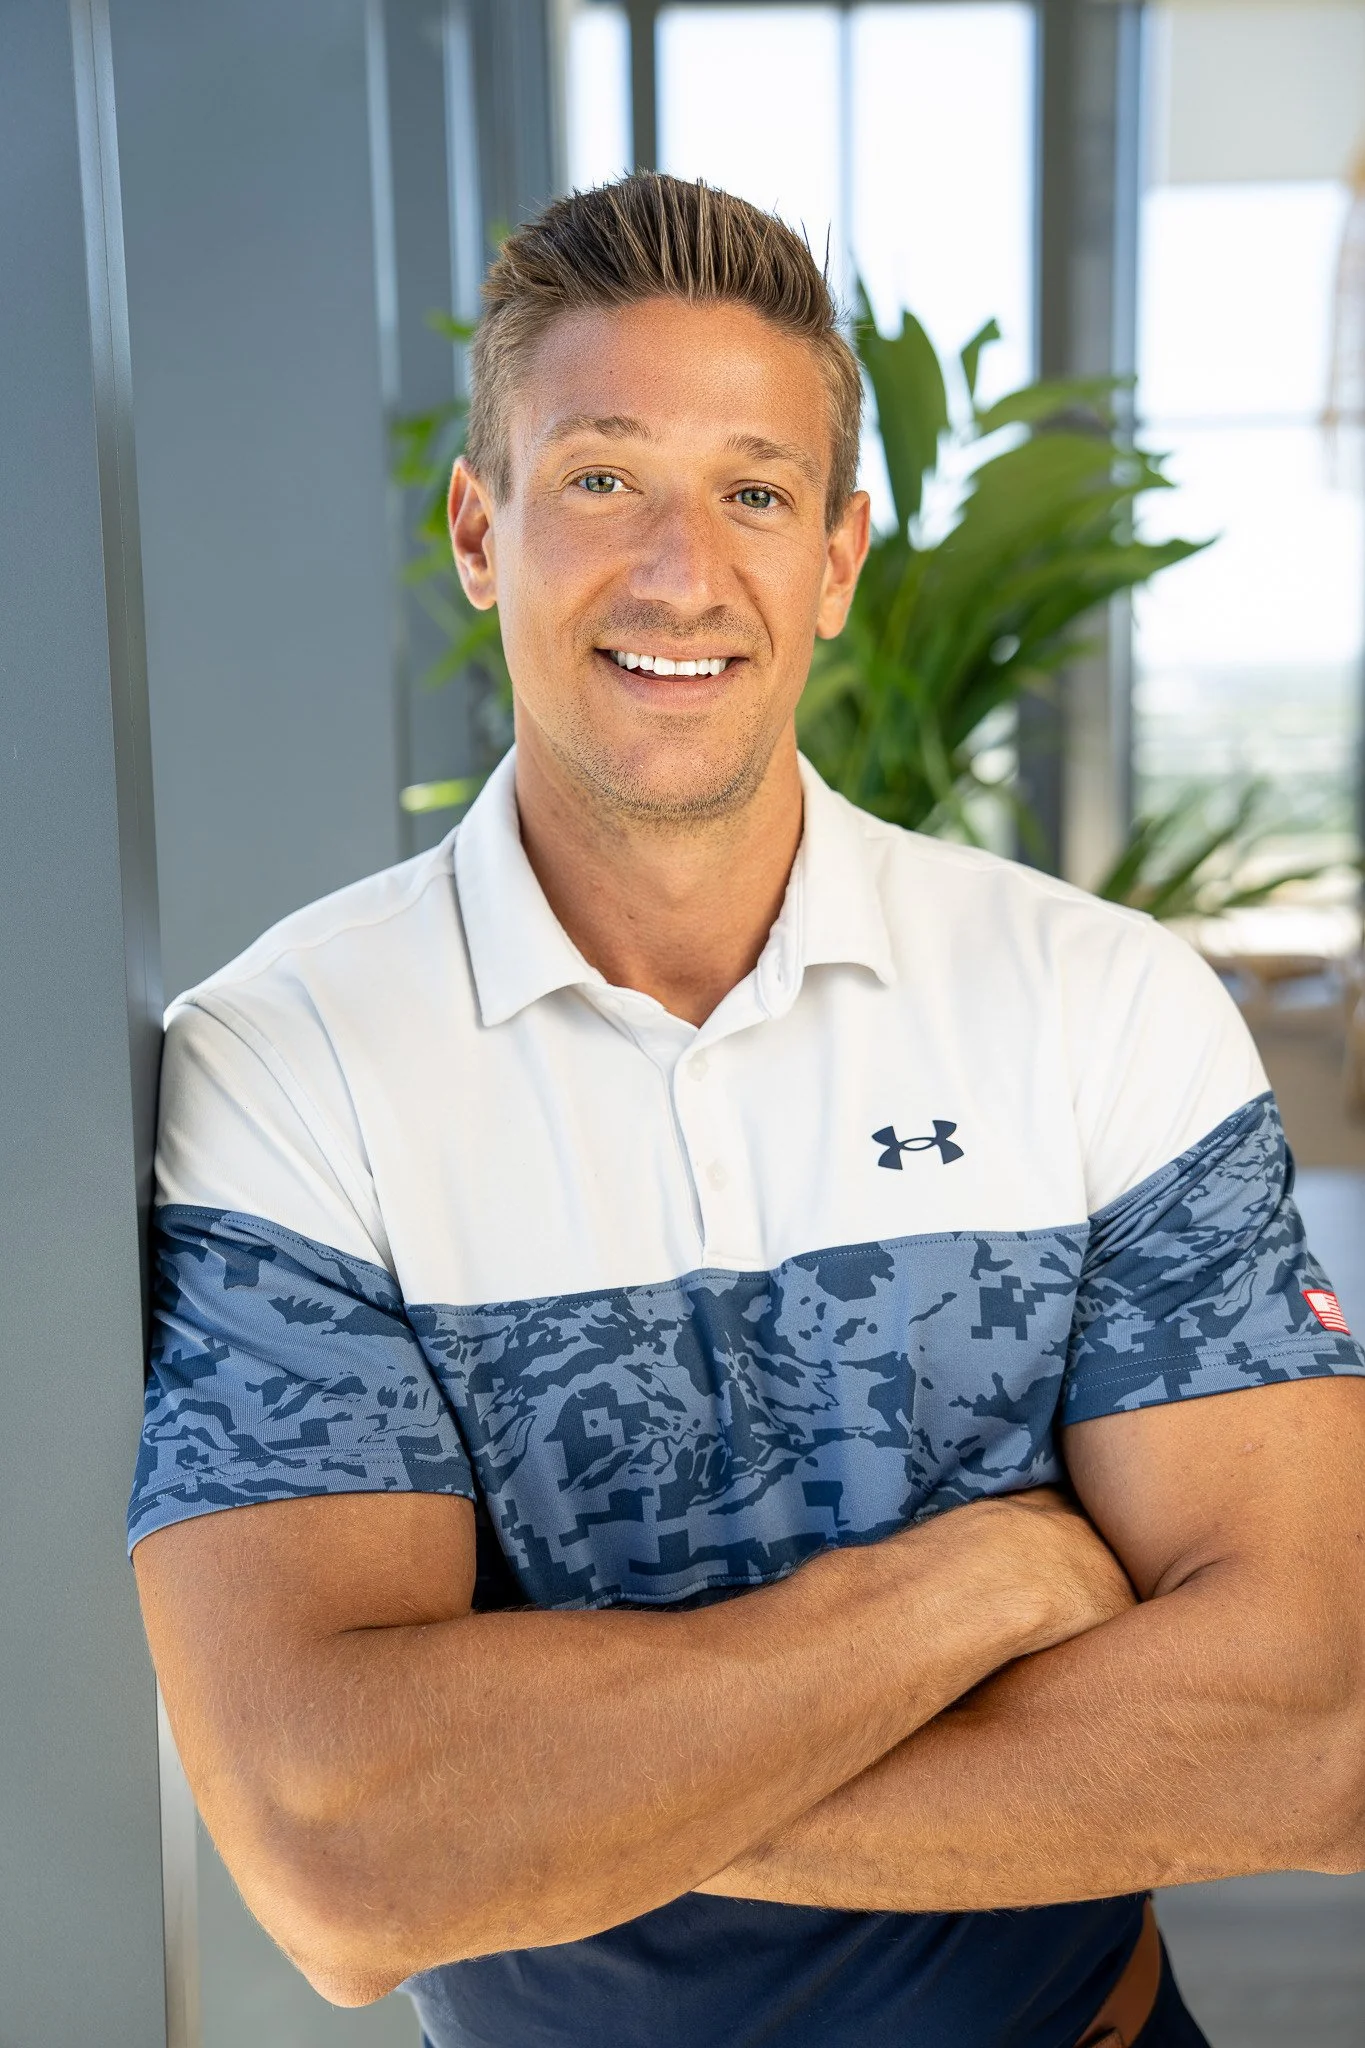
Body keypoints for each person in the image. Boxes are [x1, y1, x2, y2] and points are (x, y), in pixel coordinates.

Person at [130, 174, 1365, 2048]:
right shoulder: (293, 1066)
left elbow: (1317, 1724)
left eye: (756, 493)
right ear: (482, 530)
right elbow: (339, 1854)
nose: (681, 572)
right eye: (604, 476)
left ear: (841, 558)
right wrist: (974, 1586)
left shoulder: (1099, 1005)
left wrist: (541, 1816)